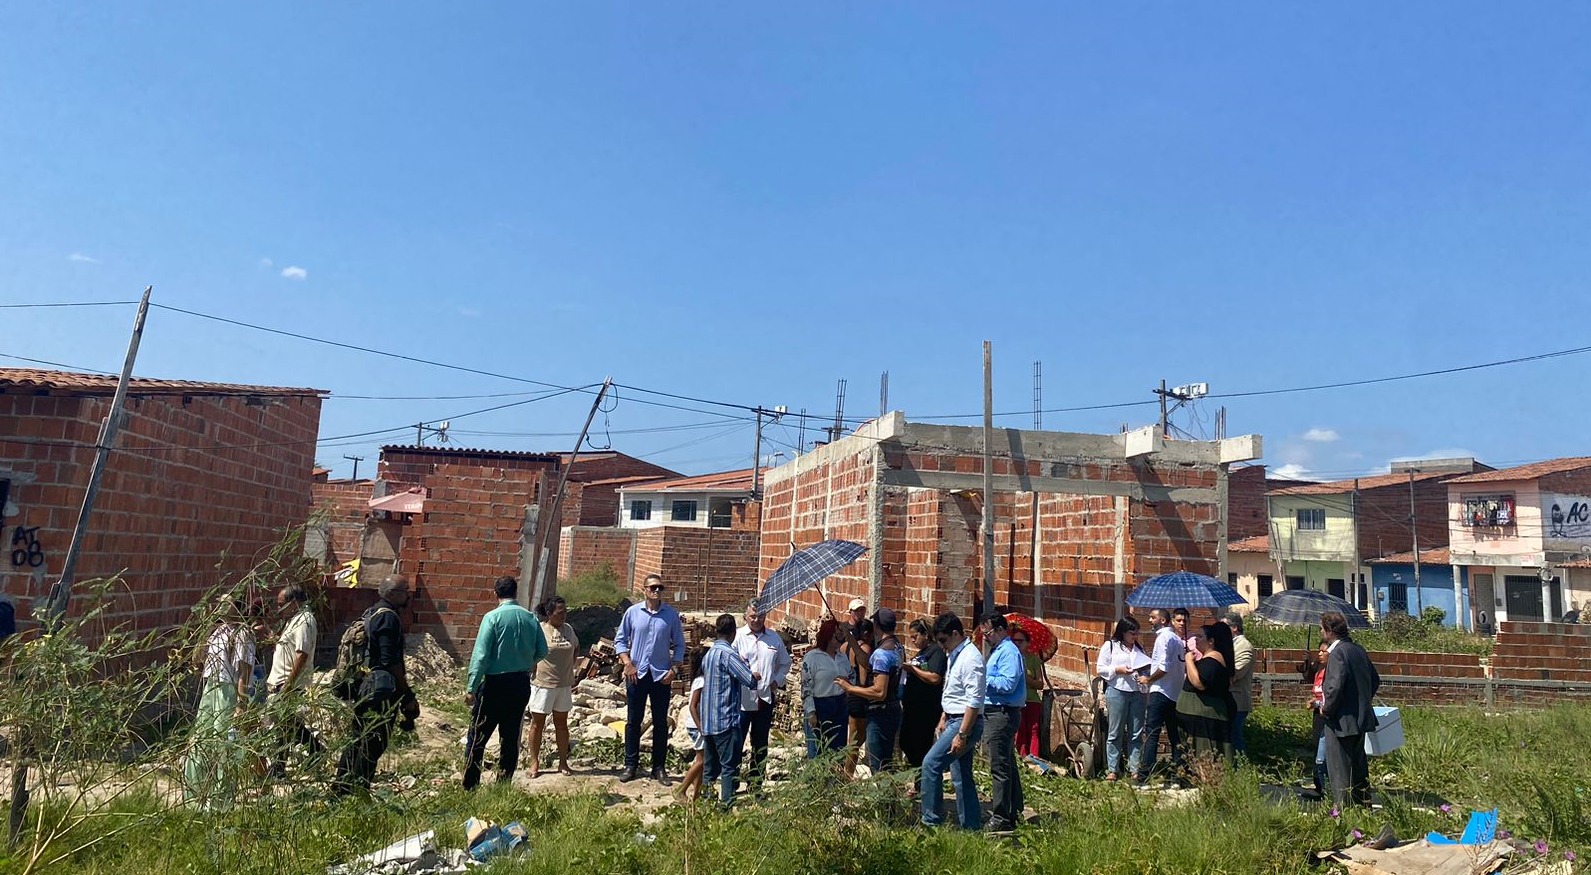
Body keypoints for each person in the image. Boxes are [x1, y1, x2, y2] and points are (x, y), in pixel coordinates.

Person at [462, 576, 547, 790]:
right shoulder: (530, 618)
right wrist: (527, 661)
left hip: (495, 685)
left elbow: (481, 656)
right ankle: (503, 785)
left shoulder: (492, 618)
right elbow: (543, 651)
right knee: (510, 737)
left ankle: (470, 786)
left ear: (495, 593)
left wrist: (472, 688)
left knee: (478, 736)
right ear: (516, 593)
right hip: (520, 683)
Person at [334, 574, 414, 795]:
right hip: (380, 692)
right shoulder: (388, 618)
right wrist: (407, 696)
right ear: (392, 594)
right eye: (405, 590)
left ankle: (341, 789)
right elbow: (390, 662)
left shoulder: (372, 612)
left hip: (365, 687)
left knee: (357, 738)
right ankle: (356, 791)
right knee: (372, 742)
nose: (409, 594)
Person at [184, 595, 256, 809]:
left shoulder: (243, 633)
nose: (221, 606)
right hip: (211, 688)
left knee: (224, 744)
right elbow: (197, 660)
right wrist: (205, 628)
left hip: (229, 691)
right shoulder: (218, 630)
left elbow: (244, 671)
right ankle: (194, 793)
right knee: (201, 739)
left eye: (227, 602)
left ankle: (220, 800)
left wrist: (241, 705)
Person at [614, 573, 687, 784]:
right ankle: (631, 765)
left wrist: (674, 668)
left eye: (660, 588)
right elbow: (620, 641)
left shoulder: (670, 615)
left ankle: (659, 767)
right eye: (653, 588)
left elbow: (680, 644)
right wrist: (627, 663)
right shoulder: (633, 613)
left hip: (660, 675)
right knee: (633, 721)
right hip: (637, 674)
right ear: (645, 590)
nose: (656, 591)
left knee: (660, 723)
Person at [920, 612, 985, 830]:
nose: (941, 646)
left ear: (955, 634)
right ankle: (971, 827)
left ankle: (931, 823)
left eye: (943, 640)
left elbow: (974, 701)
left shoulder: (970, 658)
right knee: (961, 776)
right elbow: (953, 691)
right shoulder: (955, 654)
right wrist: (943, 716)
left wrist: (962, 734)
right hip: (953, 718)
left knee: (931, 764)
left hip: (964, 723)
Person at [1320, 610, 1381, 808]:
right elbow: (1374, 679)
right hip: (1359, 719)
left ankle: (1344, 815)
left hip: (1340, 721)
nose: (1321, 633)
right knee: (1359, 770)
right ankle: (1363, 809)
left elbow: (1334, 686)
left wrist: (1326, 709)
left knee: (1340, 773)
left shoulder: (1337, 653)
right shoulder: (1357, 649)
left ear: (1329, 631)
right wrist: (1361, 701)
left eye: (1322, 629)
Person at [698, 613, 760, 807]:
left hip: (708, 721)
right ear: (733, 632)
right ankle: (726, 806)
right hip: (725, 720)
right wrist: (754, 674)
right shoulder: (728, 654)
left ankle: (707, 804)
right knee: (728, 767)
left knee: (709, 769)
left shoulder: (709, 654)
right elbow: (749, 681)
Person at [264, 582, 321, 778]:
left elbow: (302, 654)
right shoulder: (294, 620)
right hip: (281, 682)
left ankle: (315, 749)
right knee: (284, 726)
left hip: (289, 684)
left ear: (294, 602)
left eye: (282, 604)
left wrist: (288, 685)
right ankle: (278, 768)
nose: (279, 609)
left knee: (285, 722)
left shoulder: (304, 620)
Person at [733, 601, 791, 789]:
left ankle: (756, 784)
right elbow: (729, 662)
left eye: (760, 616)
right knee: (737, 741)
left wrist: (778, 681)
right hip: (743, 698)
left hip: (765, 696)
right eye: (752, 616)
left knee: (760, 744)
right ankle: (731, 784)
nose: (757, 620)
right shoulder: (738, 637)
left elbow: (785, 663)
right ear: (746, 616)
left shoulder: (774, 638)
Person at [836, 608, 903, 772]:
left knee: (877, 762)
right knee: (886, 761)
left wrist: (850, 688)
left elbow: (879, 692)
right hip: (894, 707)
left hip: (880, 710)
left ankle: (877, 794)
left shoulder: (880, 654)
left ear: (877, 626)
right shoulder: (897, 646)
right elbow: (868, 663)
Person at [981, 612, 1026, 833]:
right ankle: (1014, 810)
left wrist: (983, 678)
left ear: (1000, 630)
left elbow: (1008, 684)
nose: (986, 637)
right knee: (1007, 764)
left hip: (1001, 712)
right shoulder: (999, 651)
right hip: (997, 712)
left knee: (999, 767)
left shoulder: (1008, 652)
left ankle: (1000, 816)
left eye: (988, 633)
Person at [526, 595, 579, 778]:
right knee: (537, 724)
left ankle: (563, 763)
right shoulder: (540, 630)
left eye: (565, 611)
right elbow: (530, 652)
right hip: (543, 684)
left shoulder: (569, 629)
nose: (564, 615)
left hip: (563, 685)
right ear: (549, 614)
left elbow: (576, 647)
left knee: (562, 724)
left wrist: (570, 667)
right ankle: (534, 763)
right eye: (560, 612)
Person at [1133, 608, 1186, 785]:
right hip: (1175, 692)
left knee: (1152, 733)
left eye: (1153, 617)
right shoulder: (1178, 640)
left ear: (1163, 621)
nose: (1150, 620)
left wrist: (1148, 678)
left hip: (1161, 691)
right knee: (1174, 735)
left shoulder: (1163, 638)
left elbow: (1163, 667)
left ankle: (1144, 775)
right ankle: (1180, 774)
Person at [1095, 617, 1148, 781]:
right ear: (1123, 632)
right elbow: (1100, 668)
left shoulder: (1139, 649)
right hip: (1117, 690)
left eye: (1137, 633)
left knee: (1136, 733)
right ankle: (1113, 768)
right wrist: (1118, 669)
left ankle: (1135, 768)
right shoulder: (1110, 646)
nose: (1135, 636)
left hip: (1137, 692)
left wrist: (1144, 675)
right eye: (1132, 633)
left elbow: (1146, 667)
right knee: (1115, 731)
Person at [1176, 622, 1236, 766]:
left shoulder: (1212, 660)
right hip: (1195, 717)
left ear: (1211, 641)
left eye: (1200, 636)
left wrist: (1189, 661)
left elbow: (1199, 683)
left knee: (1205, 753)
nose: (1196, 639)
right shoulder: (1207, 659)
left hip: (1204, 718)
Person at [899, 617, 947, 790]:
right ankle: (920, 780)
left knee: (921, 746)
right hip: (913, 708)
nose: (912, 640)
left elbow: (935, 678)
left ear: (925, 634)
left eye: (915, 636)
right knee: (907, 742)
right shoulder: (921, 653)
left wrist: (912, 669)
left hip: (926, 709)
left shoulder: (936, 652)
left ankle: (923, 785)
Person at [801, 618, 852, 757]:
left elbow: (851, 676)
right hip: (820, 705)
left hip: (839, 705)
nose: (841, 641)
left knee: (838, 750)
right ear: (829, 636)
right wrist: (811, 711)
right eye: (837, 637)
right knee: (818, 749)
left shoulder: (842, 657)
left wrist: (848, 684)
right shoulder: (812, 657)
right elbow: (806, 687)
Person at [838, 615, 875, 776]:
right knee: (857, 739)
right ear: (867, 634)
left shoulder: (844, 646)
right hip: (859, 695)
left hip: (846, 692)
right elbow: (862, 677)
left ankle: (844, 772)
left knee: (852, 738)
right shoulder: (864, 648)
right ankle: (847, 773)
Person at [676, 646, 708, 803]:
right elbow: (693, 706)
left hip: (697, 724)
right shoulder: (701, 681)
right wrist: (700, 726)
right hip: (697, 725)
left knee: (700, 761)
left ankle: (696, 794)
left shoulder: (698, 679)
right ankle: (681, 790)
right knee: (702, 761)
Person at [1223, 611, 1255, 755]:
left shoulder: (1244, 646)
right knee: (1229, 735)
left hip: (1238, 700)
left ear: (1234, 627)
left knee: (1235, 735)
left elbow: (1236, 672)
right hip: (1228, 699)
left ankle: (1240, 767)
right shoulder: (1228, 645)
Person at [1014, 626, 1045, 759]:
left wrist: (1028, 680)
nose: (1017, 644)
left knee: (1033, 729)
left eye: (1020, 641)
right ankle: (1022, 756)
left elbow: (1040, 684)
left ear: (1027, 643)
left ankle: (1035, 758)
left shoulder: (1033, 659)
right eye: (1014, 641)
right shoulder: (1010, 658)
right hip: (1017, 700)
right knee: (1020, 729)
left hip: (1032, 699)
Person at [1306, 640, 1330, 798]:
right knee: (1316, 747)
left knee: (1323, 754)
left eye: (1324, 651)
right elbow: (1308, 677)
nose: (1320, 654)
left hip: (1327, 714)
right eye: (1319, 651)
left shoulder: (1332, 672)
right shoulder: (1319, 669)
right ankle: (1319, 784)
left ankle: (1326, 787)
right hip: (1317, 712)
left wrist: (1318, 702)